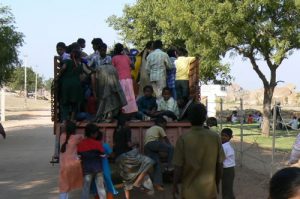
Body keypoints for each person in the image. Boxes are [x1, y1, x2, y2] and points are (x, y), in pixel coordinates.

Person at [173, 103, 225, 199]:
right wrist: (216, 183)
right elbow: (220, 166)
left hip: (189, 193)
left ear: (189, 118)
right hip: (209, 192)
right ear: (205, 117)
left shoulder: (183, 139)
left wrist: (174, 185)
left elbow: (178, 167)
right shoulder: (215, 137)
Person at [114, 116, 155, 199]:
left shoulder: (115, 131)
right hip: (127, 155)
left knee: (127, 177)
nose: (129, 123)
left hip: (118, 157)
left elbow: (115, 144)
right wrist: (136, 143)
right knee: (149, 162)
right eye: (128, 122)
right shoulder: (127, 129)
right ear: (125, 123)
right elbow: (129, 144)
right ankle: (138, 183)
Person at [144, 117, 174, 191]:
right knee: (171, 148)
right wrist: (169, 147)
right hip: (153, 144)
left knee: (157, 165)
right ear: (161, 123)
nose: (165, 127)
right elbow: (165, 139)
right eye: (165, 125)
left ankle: (157, 184)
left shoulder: (150, 129)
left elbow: (158, 142)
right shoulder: (159, 128)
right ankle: (170, 166)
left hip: (147, 147)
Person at [77, 123, 106, 199]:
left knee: (86, 188)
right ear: (92, 134)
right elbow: (103, 155)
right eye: (96, 132)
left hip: (87, 169)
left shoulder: (81, 144)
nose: (97, 134)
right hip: (97, 169)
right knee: (101, 188)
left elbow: (79, 156)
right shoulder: (98, 143)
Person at [56, 49, 84, 122]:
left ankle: (65, 120)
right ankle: (72, 119)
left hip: (66, 86)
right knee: (74, 104)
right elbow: (81, 78)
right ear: (79, 57)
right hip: (76, 86)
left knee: (65, 103)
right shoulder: (80, 65)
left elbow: (63, 68)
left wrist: (58, 76)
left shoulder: (67, 61)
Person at [59, 120, 83, 199]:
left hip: (64, 166)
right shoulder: (77, 137)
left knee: (64, 187)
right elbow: (82, 137)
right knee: (68, 185)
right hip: (74, 165)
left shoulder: (62, 136)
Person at [112, 43, 138, 115]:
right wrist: (128, 69)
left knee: (122, 96)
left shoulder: (114, 58)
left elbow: (112, 69)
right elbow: (133, 66)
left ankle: (123, 111)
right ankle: (132, 110)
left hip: (120, 79)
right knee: (130, 95)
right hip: (129, 79)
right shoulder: (126, 57)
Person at [221, 128, 236, 199]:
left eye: (225, 136)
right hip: (228, 170)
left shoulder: (225, 147)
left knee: (227, 189)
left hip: (227, 170)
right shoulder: (224, 145)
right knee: (227, 189)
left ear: (230, 138)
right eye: (222, 135)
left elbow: (220, 159)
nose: (223, 137)